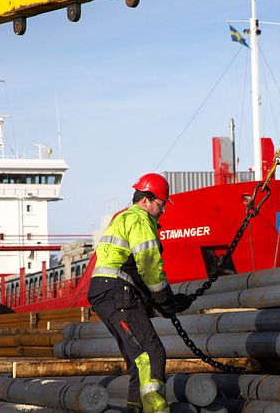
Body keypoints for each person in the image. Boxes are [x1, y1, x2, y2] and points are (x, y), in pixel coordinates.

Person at [88, 172, 175, 413]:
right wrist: (164, 298)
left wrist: (158, 301)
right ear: (146, 199)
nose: (163, 210)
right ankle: (157, 410)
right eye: (161, 204)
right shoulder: (139, 219)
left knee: (138, 360)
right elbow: (148, 263)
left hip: (109, 293)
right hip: (118, 293)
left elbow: (131, 270)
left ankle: (134, 409)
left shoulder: (122, 218)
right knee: (151, 352)